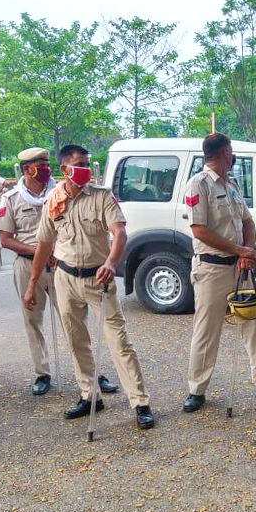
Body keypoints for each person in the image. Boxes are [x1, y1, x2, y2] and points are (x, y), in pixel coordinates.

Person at [23, 144, 154, 429]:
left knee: (119, 342)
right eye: (79, 163)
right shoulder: (54, 201)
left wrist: (111, 262)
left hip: (99, 279)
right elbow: (44, 245)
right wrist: (32, 283)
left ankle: (140, 402)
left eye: (87, 163)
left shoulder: (101, 196)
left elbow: (119, 232)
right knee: (76, 341)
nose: (85, 168)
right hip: (65, 278)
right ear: (64, 169)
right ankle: (89, 395)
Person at [0, 147, 118, 396]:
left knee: (74, 325)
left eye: (46, 162)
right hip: (28, 263)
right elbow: (6, 239)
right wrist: (36, 251)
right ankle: (42, 373)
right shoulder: (10, 199)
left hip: (62, 266)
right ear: (26, 168)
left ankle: (91, 375)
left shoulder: (62, 191)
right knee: (32, 320)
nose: (44, 167)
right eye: (38, 164)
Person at [182, 133, 256, 414]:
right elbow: (199, 230)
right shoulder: (198, 185)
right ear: (225, 152)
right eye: (231, 150)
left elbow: (247, 221)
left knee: (253, 325)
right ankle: (196, 390)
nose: (232, 155)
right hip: (211, 268)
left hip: (239, 267)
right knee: (207, 330)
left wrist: (246, 251)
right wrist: (239, 250)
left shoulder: (232, 184)